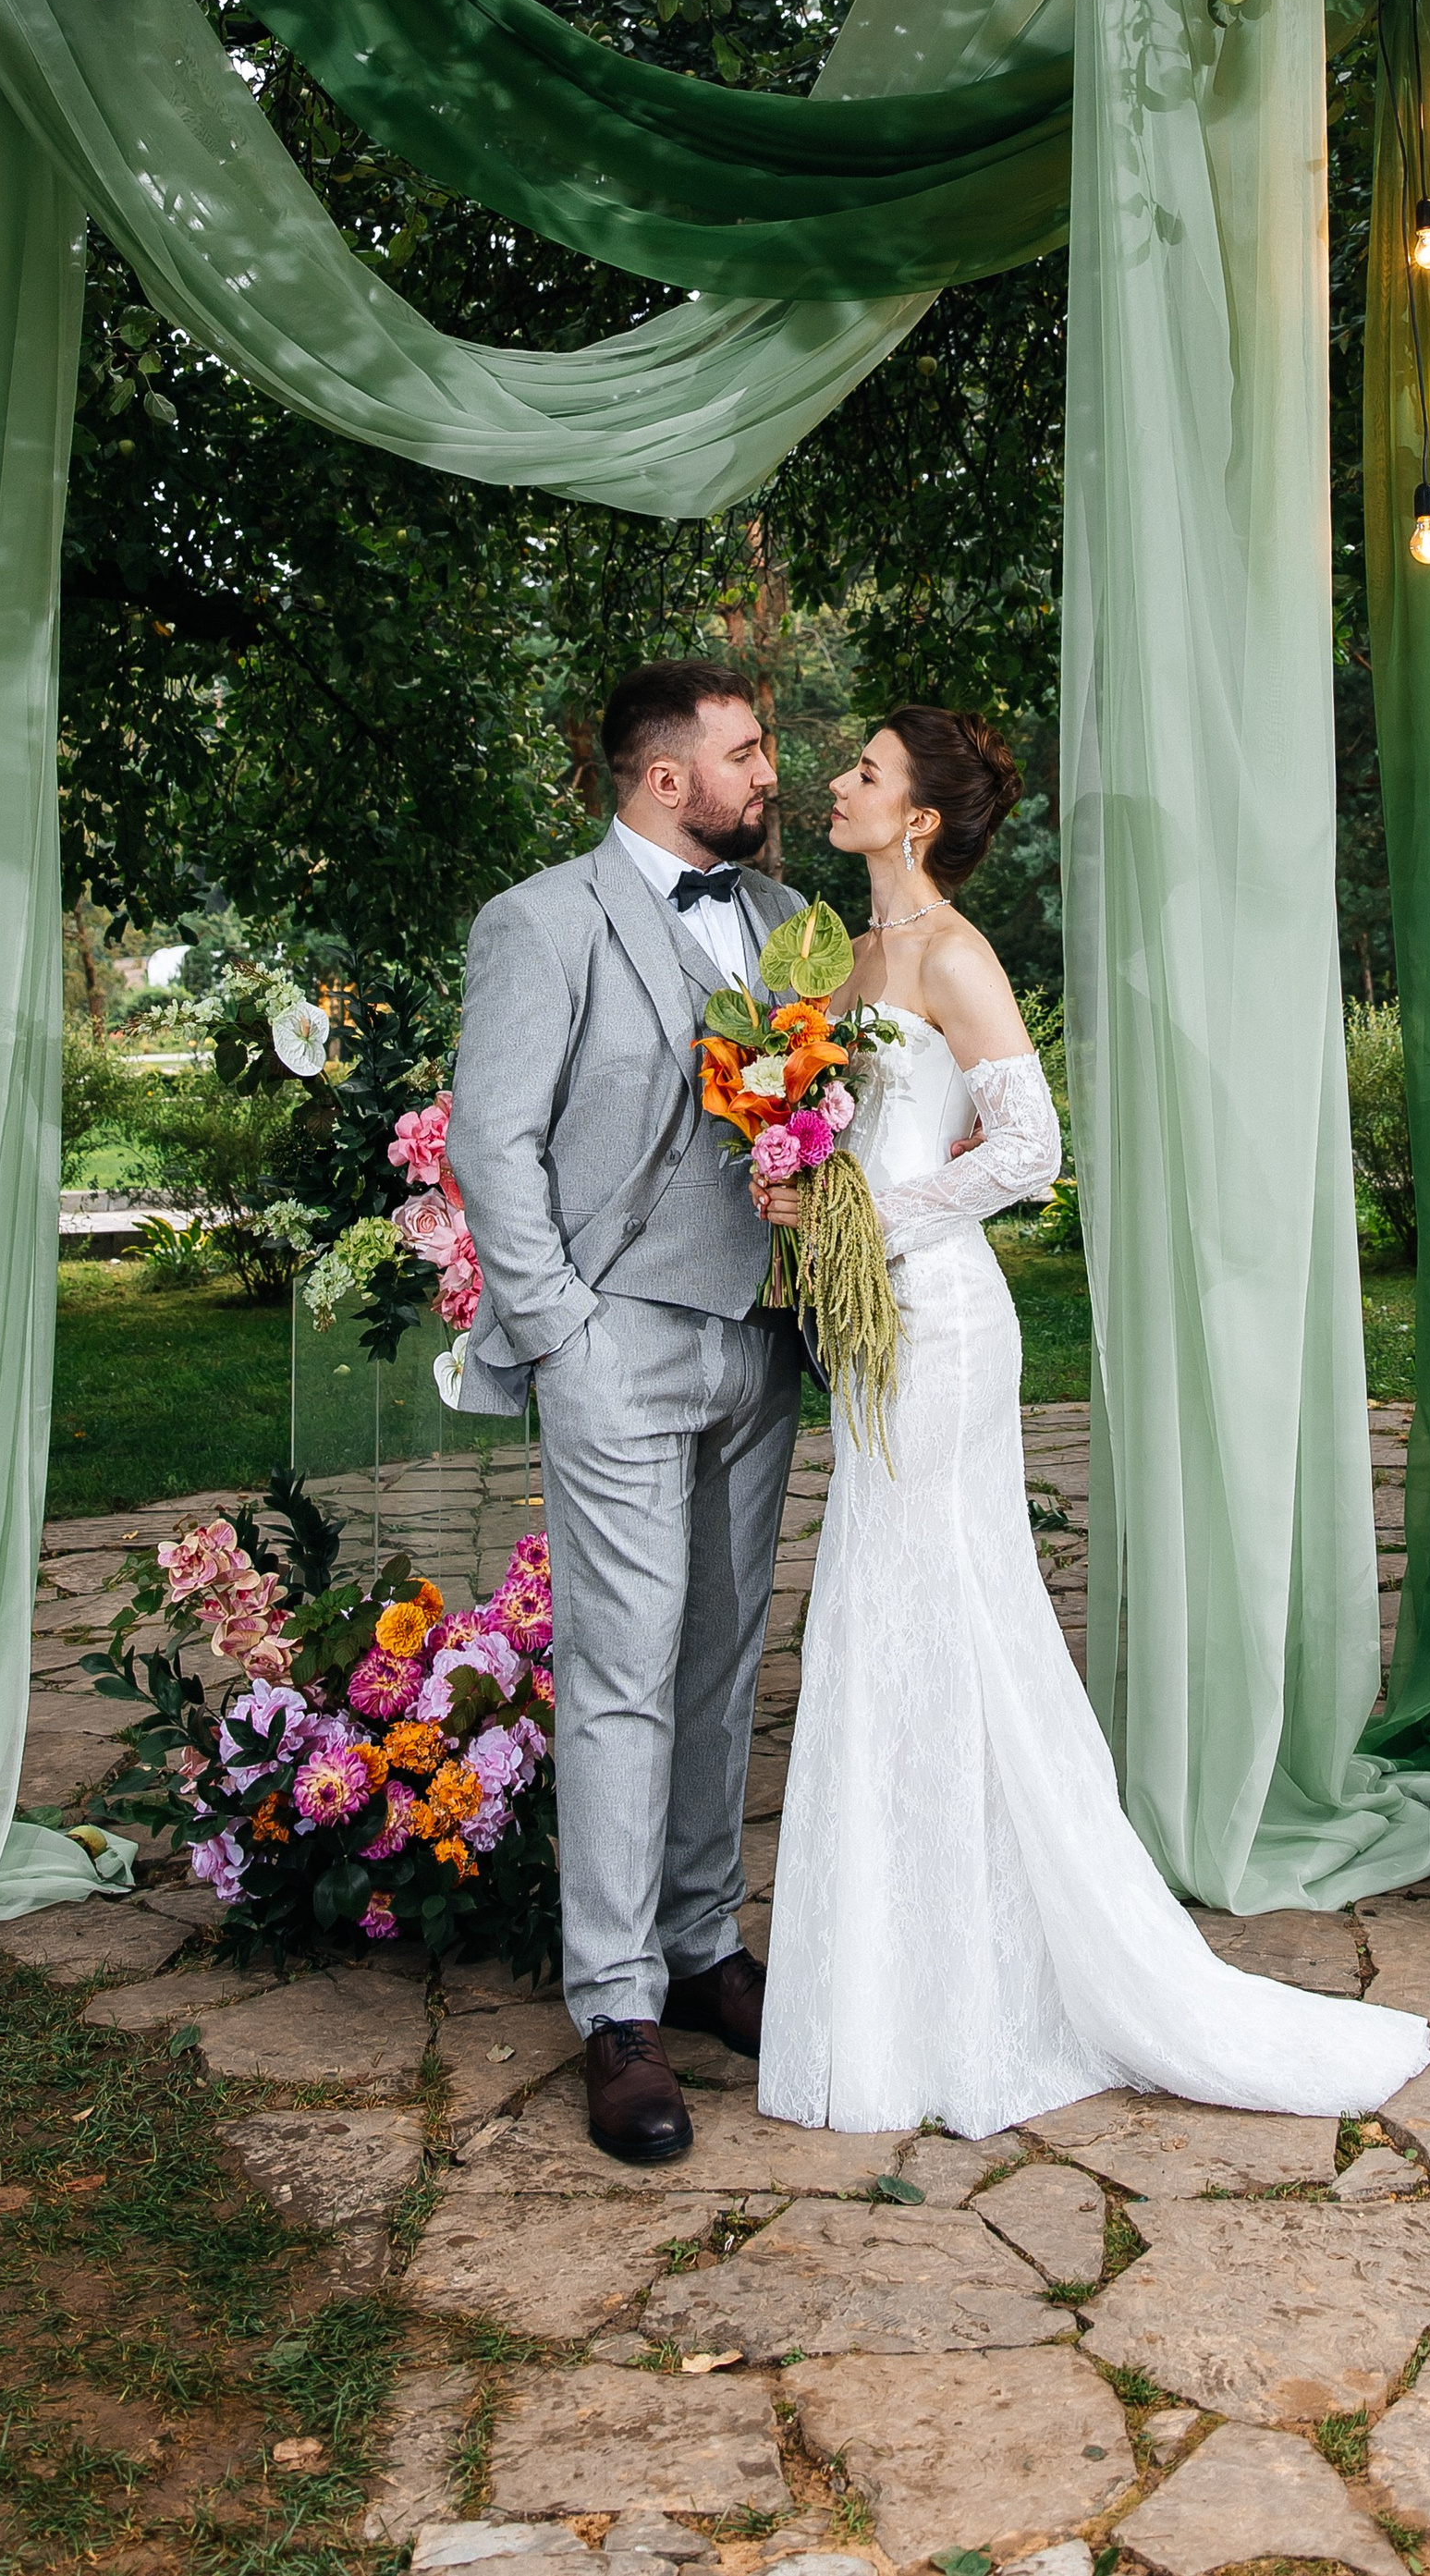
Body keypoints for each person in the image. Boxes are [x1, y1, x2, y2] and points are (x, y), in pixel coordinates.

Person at [753, 706, 1430, 2137]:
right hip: (865, 1330)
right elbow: (851, 1127)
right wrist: (792, 1178)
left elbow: (1029, 1148)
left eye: (866, 771)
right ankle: (899, 1992)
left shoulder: (953, 953)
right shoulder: (843, 956)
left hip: (941, 1326)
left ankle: (1003, 1984)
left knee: (938, 1619)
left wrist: (871, 1216)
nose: (838, 782)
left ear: (917, 816)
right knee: (885, 1626)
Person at [449, 656, 801, 2164]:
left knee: (722, 1664)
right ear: (666, 779)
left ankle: (705, 1943)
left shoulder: (788, 922)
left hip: (760, 1345)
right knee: (621, 1673)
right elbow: (491, 1141)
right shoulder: (542, 923)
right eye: (745, 751)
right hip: (617, 1347)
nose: (768, 771)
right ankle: (615, 2004)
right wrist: (566, 1336)